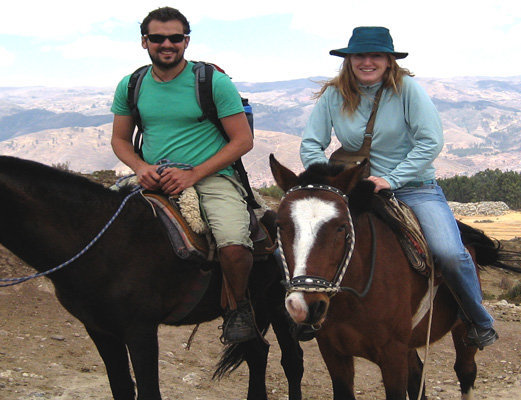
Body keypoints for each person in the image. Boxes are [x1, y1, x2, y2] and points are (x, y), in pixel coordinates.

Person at [299, 26, 499, 349]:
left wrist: (390, 178)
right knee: (303, 236)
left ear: (389, 60)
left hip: (413, 186)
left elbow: (430, 141)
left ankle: (479, 319)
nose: (367, 62)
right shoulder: (335, 95)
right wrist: (333, 180)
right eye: (359, 56)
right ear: (348, 60)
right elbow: (311, 144)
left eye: (375, 55)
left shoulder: (407, 90)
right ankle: (306, 311)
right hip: (355, 188)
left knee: (449, 252)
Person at [110, 7, 258, 344]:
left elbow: (242, 140)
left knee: (233, 244)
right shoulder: (132, 84)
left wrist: (194, 174)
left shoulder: (212, 82)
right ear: (144, 41)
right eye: (158, 38)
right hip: (151, 176)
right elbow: (120, 139)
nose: (167, 44)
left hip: (211, 177)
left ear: (186, 41)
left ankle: (238, 307)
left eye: (175, 38)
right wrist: (141, 168)